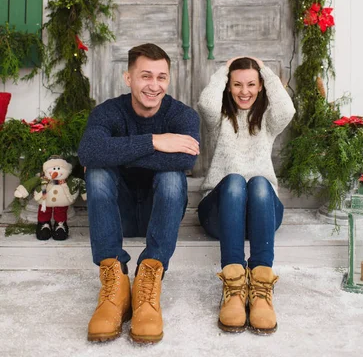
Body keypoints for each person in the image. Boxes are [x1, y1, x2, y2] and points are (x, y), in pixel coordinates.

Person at [78, 43, 200, 344]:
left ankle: (149, 276)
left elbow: (185, 160)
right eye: (146, 76)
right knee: (96, 171)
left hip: (158, 218)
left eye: (161, 77)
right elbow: (89, 152)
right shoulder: (108, 113)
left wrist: (117, 152)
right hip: (116, 216)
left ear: (168, 80)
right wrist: (156, 141)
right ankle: (115, 282)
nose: (154, 85)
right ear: (128, 77)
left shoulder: (183, 117)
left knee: (173, 176)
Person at [197, 56, 295, 335]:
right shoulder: (218, 119)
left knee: (261, 183)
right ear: (228, 86)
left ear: (261, 85)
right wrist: (223, 70)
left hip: (261, 215)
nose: (244, 91)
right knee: (236, 181)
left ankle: (261, 287)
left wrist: (264, 69)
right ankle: (234, 285)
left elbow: (287, 108)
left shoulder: (268, 120)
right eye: (237, 84)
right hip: (219, 213)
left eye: (252, 84)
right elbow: (205, 103)